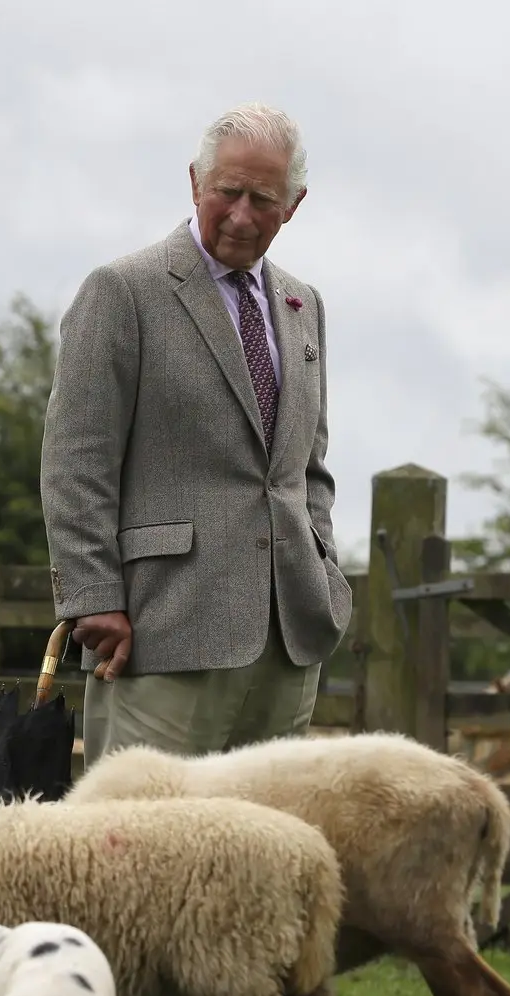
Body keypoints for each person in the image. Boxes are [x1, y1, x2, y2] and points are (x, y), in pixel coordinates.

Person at [38, 101, 353, 764]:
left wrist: (320, 567)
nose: (241, 215)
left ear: (293, 204)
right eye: (227, 193)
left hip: (287, 639)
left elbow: (306, 468)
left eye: (262, 199)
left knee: (263, 855)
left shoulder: (305, 306)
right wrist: (93, 597)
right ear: (194, 183)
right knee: (139, 851)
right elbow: (75, 461)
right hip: (161, 631)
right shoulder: (123, 291)